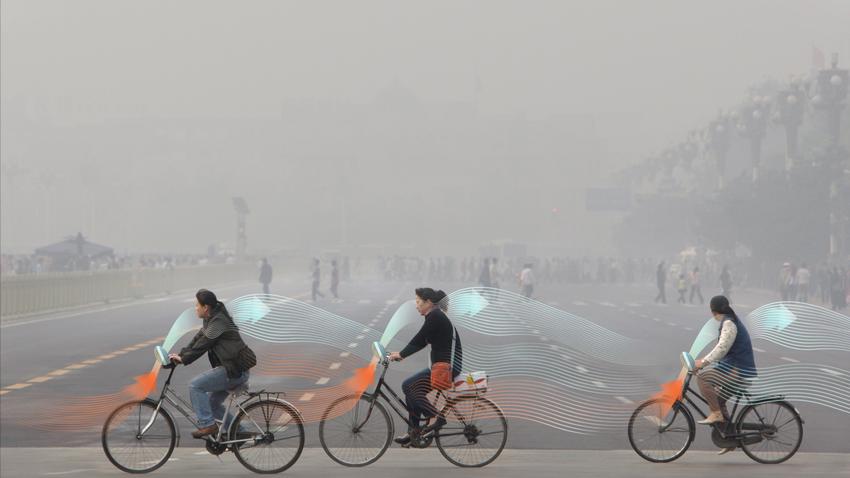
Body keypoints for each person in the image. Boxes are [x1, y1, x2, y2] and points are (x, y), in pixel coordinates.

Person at [169, 289, 256, 438]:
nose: (195, 308)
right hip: (232, 369)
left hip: (234, 371)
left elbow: (204, 344)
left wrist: (184, 359)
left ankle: (208, 425)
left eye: (197, 305)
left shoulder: (219, 322)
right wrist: (181, 355)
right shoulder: (211, 319)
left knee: (195, 386)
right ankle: (239, 433)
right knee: (211, 404)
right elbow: (198, 339)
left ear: (206, 307)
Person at [387, 288, 462, 447]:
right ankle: (414, 432)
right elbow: (422, 341)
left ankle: (436, 418)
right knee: (411, 387)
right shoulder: (435, 316)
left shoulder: (435, 316)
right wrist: (400, 354)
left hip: (446, 368)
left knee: (408, 386)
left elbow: (419, 338)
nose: (416, 306)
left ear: (428, 302)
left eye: (418, 302)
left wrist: (401, 355)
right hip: (442, 366)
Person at [694, 295, 757, 454]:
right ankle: (729, 439)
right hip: (736, 368)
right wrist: (704, 361)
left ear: (713, 310)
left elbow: (722, 349)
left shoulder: (729, 323)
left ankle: (715, 414)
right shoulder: (729, 320)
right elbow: (723, 351)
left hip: (738, 370)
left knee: (703, 378)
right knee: (719, 402)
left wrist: (703, 363)